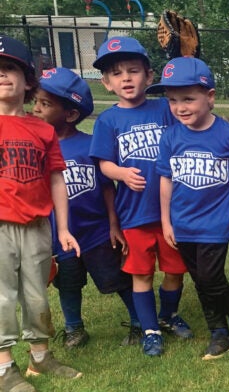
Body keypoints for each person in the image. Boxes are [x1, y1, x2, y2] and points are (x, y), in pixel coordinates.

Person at [148, 57, 229, 360]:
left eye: (188, 98)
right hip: (182, 223)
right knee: (201, 281)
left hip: (216, 223)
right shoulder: (171, 136)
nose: (180, 107)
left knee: (211, 278)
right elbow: (165, 180)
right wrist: (166, 221)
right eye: (172, 101)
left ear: (209, 97)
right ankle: (218, 332)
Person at [89, 36, 192, 358]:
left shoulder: (164, 108)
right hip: (133, 214)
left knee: (175, 269)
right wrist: (119, 173)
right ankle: (149, 330)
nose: (126, 79)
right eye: (117, 74)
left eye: (133, 71)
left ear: (149, 76)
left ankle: (168, 315)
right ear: (106, 83)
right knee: (141, 273)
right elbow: (103, 163)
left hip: (170, 212)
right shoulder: (108, 120)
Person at [32, 67, 141, 349]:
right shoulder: (36, 148)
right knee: (67, 285)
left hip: (96, 232)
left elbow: (107, 187)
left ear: (70, 114)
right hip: (60, 238)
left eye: (45, 104)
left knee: (117, 280)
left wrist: (114, 225)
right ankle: (74, 329)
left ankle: (139, 322)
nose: (36, 109)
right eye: (35, 102)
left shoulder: (90, 145)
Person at [0, 34, 82, 392]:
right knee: (2, 296)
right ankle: (4, 368)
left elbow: (56, 181)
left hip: (36, 226)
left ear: (28, 80)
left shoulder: (43, 129)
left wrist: (62, 228)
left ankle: (40, 357)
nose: (2, 76)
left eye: (9, 68)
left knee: (36, 295)